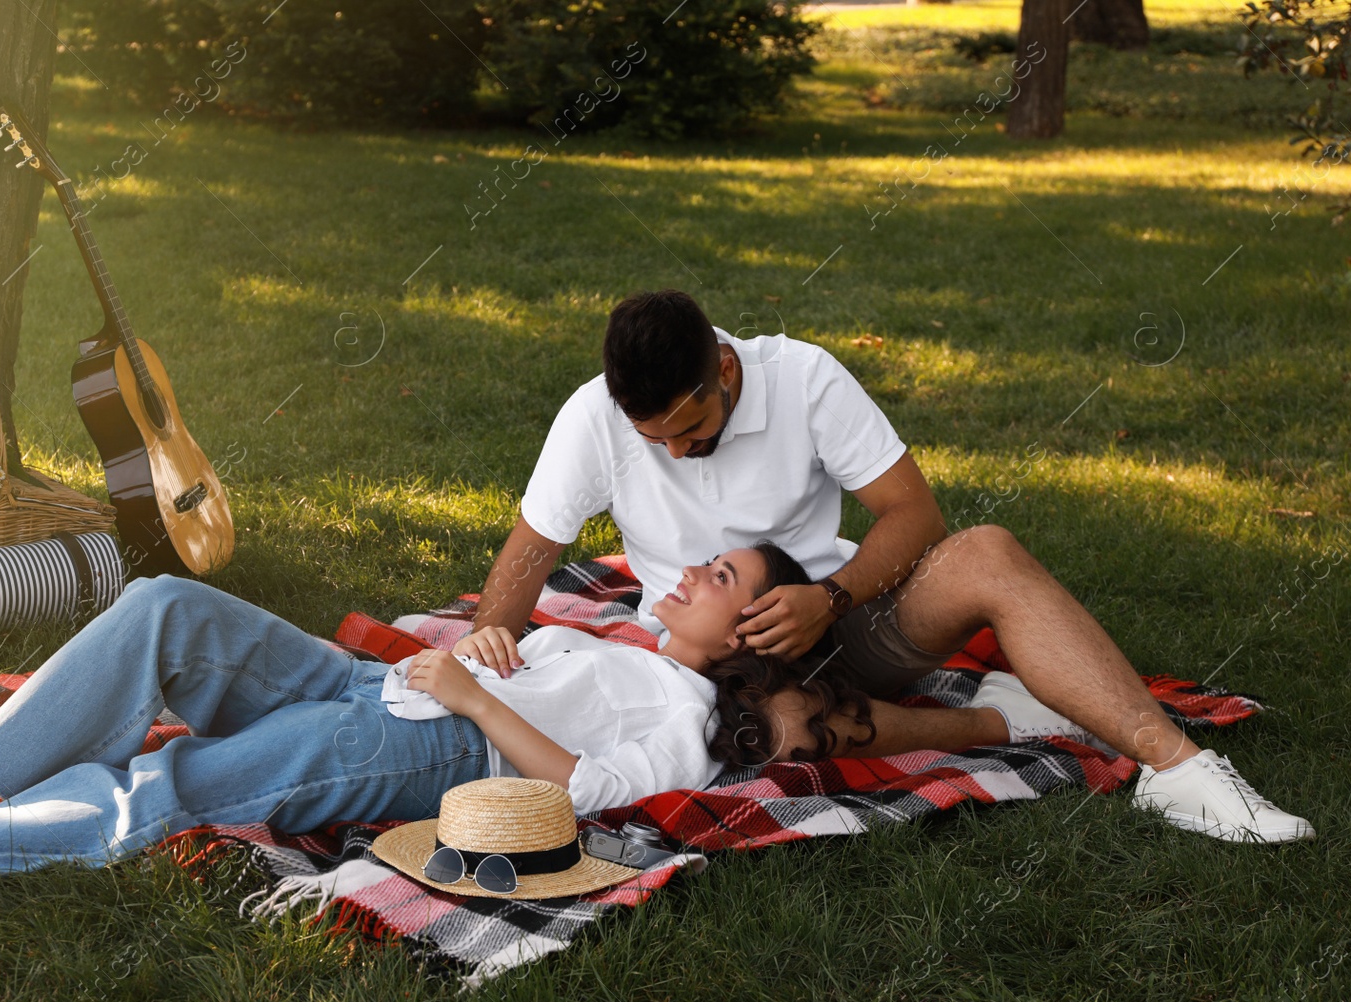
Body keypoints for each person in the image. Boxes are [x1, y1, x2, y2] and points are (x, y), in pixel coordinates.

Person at [469, 289, 1313, 844]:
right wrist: (486, 659)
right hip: (718, 669)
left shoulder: (802, 377)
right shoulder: (595, 416)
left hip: (846, 621)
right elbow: (528, 556)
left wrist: (829, 596)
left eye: (690, 430)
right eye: (655, 441)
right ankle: (1002, 721)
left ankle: (1179, 770)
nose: (677, 453)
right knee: (774, 733)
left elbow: (916, 514)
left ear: (724, 370)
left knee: (985, 549)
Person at [0, 543, 797, 897]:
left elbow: (579, 791)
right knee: (165, 606)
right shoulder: (612, 645)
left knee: (178, 779)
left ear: (749, 627)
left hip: (429, 743)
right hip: (374, 685)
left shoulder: (690, 714)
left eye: (723, 575)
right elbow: (516, 666)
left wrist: (475, 697)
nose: (698, 567)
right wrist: (488, 648)